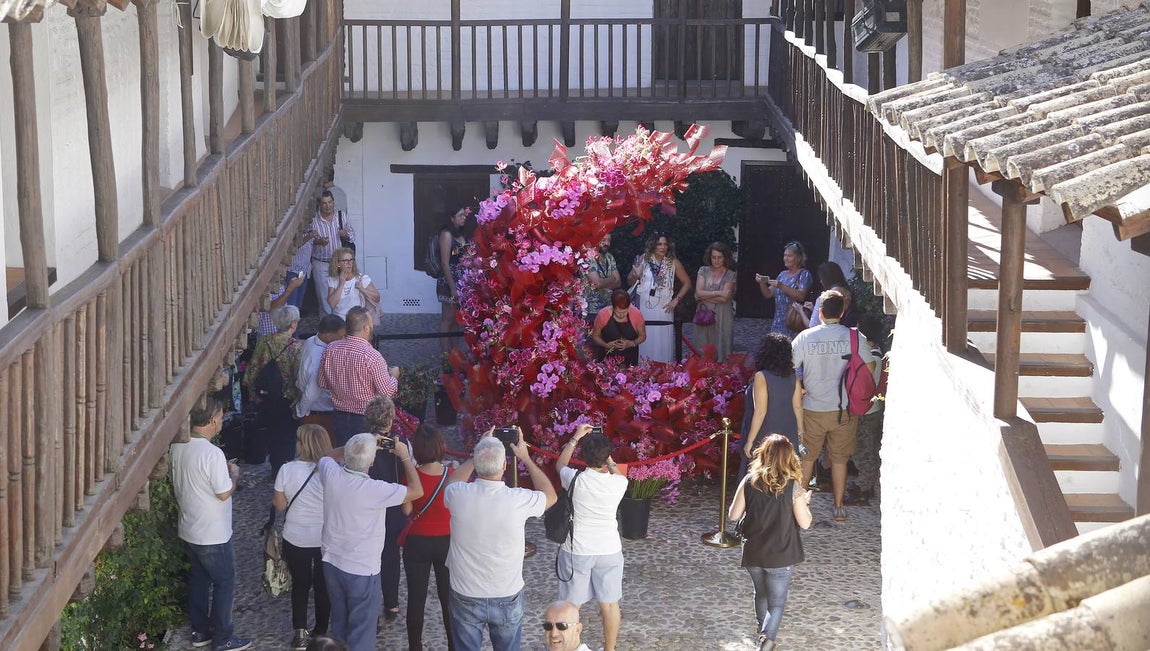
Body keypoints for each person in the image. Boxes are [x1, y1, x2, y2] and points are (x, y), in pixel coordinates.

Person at [444, 429, 558, 651]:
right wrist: (525, 457)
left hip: (465, 591)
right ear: (505, 467)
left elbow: (450, 483)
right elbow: (551, 496)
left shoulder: (458, 494)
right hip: (507, 592)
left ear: (476, 465)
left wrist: (476, 453)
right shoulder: (518, 499)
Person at [317, 422, 424, 651]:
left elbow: (326, 456)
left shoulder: (331, 474)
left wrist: (351, 447)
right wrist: (404, 456)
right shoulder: (376, 489)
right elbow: (417, 490)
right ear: (372, 462)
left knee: (340, 621)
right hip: (362, 568)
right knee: (362, 631)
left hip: (331, 561)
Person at [170, 397, 251, 651]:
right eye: (221, 416)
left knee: (198, 580)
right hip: (213, 532)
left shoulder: (178, 446)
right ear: (213, 420)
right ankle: (223, 637)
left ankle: (199, 632)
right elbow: (224, 492)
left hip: (189, 527)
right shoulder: (213, 453)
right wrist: (234, 474)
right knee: (224, 582)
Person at [791, 290, 876, 522]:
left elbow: (789, 368)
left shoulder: (805, 337)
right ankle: (838, 507)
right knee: (840, 459)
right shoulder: (854, 337)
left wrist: (800, 387)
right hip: (843, 409)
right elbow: (869, 368)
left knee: (806, 458)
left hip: (812, 408)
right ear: (842, 312)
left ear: (820, 312)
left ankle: (799, 508)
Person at [728, 434, 812, 651]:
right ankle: (766, 640)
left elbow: (733, 515)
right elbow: (804, 523)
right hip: (781, 553)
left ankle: (761, 628)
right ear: (789, 457)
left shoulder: (750, 480)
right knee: (776, 603)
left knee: (761, 593)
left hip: (754, 551)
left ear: (763, 454)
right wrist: (805, 502)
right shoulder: (793, 487)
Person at [555, 425, 628, 651]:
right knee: (609, 603)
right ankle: (610, 648)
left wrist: (575, 437)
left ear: (583, 455)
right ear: (606, 456)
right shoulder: (620, 483)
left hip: (577, 549)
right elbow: (617, 472)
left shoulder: (575, 480)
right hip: (609, 549)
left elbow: (560, 465)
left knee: (571, 605)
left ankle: (568, 647)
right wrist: (607, 456)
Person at [402, 424, 471, 651]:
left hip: (417, 542)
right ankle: (453, 645)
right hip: (446, 542)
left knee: (416, 598)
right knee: (448, 599)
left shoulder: (411, 477)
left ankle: (415, 647)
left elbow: (406, 511)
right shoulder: (452, 475)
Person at [273, 424, 334, 650]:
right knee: (322, 586)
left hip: (295, 536)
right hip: (324, 538)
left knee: (300, 584)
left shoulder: (286, 470)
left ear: (302, 444)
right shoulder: (332, 471)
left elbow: (280, 506)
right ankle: (321, 632)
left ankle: (300, 633)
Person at [363, 397, 416, 626]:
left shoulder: (360, 443)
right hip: (394, 504)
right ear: (392, 419)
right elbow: (410, 468)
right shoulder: (402, 443)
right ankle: (391, 602)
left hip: (368, 507)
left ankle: (370, 604)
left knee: (369, 556)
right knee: (391, 554)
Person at [318, 306, 400, 445]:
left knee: (345, 459)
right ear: (366, 328)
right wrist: (394, 376)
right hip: (366, 419)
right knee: (365, 461)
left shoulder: (330, 349)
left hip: (339, 417)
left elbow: (322, 382)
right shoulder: (372, 356)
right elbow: (386, 392)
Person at [243, 304, 303, 476]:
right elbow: (299, 376)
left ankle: (275, 469)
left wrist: (253, 393)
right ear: (293, 324)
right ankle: (285, 472)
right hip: (287, 398)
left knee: (272, 433)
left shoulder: (265, 341)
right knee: (286, 437)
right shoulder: (295, 347)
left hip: (266, 396)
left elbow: (253, 368)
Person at [739, 332, 804, 482]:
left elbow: (760, 411)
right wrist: (800, 432)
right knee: (786, 475)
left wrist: (749, 441)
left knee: (761, 475)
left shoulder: (761, 376)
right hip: (789, 431)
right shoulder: (793, 376)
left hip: (766, 431)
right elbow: (797, 407)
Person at [626, 233, 692, 363]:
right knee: (646, 344)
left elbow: (687, 283)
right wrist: (636, 274)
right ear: (653, 245)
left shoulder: (672, 262)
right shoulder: (643, 260)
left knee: (663, 346)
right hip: (645, 310)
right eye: (659, 244)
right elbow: (629, 281)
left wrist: (676, 300)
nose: (662, 247)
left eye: (665, 244)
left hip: (664, 311)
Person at [295, 314, 346, 443]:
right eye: (340, 337)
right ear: (329, 336)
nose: (343, 339)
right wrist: (300, 411)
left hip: (314, 410)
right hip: (320, 414)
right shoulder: (320, 358)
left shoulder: (310, 340)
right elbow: (312, 392)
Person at [310, 191, 356, 315]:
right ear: (319, 204)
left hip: (339, 264)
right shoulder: (313, 220)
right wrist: (318, 242)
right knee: (325, 300)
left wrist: (346, 234)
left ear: (333, 202)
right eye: (324, 203)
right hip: (321, 263)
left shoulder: (341, 216)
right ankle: (328, 329)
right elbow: (307, 241)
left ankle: (339, 326)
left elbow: (352, 235)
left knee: (341, 295)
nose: (328, 206)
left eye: (330, 202)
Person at [756, 241, 813, 339]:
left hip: (793, 321)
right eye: (785, 255)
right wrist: (762, 283)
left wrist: (781, 286)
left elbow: (801, 296)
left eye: (789, 256)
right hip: (778, 321)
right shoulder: (782, 274)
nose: (785, 258)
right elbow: (768, 294)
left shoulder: (804, 274)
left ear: (799, 258)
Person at [693, 241, 737, 362]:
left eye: (719, 257)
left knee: (722, 346)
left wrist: (703, 295)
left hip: (723, 315)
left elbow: (725, 298)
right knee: (703, 346)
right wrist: (719, 292)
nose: (716, 260)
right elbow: (698, 292)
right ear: (709, 257)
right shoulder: (703, 270)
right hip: (704, 313)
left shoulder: (731, 275)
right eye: (713, 257)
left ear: (725, 258)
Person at [437, 207, 470, 354]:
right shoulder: (446, 234)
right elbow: (445, 262)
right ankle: (445, 353)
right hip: (449, 281)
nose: (463, 217)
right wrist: (452, 287)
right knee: (447, 318)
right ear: (452, 218)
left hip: (461, 282)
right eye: (460, 215)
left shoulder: (460, 234)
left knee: (456, 318)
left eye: (464, 215)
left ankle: (455, 352)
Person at [589, 289, 646, 367]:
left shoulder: (636, 314)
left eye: (625, 312)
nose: (622, 315)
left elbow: (643, 336)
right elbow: (595, 335)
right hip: (606, 357)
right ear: (613, 307)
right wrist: (606, 345)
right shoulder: (603, 315)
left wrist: (631, 343)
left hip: (630, 357)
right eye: (618, 312)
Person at [326, 247, 380, 319]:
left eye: (351, 260)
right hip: (340, 322)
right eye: (345, 260)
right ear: (338, 263)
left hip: (358, 321)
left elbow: (377, 298)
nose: (349, 263)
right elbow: (332, 304)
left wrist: (362, 289)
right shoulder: (333, 280)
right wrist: (341, 283)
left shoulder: (362, 279)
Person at [583, 234, 620, 322]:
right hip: (591, 310)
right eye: (603, 240)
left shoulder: (609, 257)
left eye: (609, 240)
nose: (607, 243)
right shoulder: (588, 257)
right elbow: (597, 283)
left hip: (609, 309)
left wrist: (603, 282)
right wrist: (611, 279)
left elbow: (618, 282)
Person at [808, 261, 854, 328]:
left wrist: (801, 311)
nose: (821, 282)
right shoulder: (848, 292)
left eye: (821, 279)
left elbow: (813, 325)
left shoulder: (825, 297)